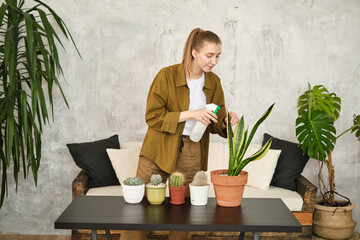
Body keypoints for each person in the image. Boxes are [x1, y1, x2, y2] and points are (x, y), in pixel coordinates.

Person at [120, 28, 239, 240]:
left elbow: (215, 121)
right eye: (209, 55)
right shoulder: (166, 75)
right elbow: (153, 116)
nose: (214, 61)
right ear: (194, 52)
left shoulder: (214, 82)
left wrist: (226, 123)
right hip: (158, 148)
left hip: (192, 151)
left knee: (182, 214)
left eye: (218, 56)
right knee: (140, 209)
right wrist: (192, 114)